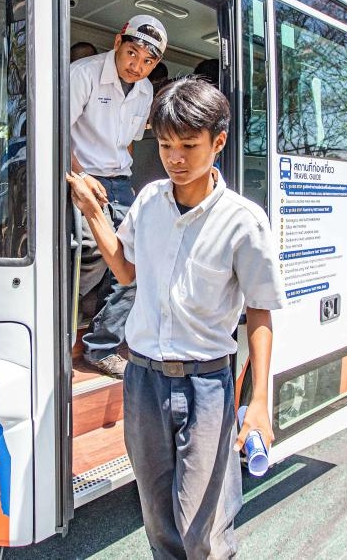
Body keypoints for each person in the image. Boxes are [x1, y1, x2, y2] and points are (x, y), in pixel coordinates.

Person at [66, 77, 284, 558]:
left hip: (206, 386)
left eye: (189, 145)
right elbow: (125, 270)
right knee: (159, 522)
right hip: (142, 381)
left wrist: (261, 401)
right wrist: (92, 214)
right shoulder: (148, 202)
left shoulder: (243, 221)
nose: (175, 158)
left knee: (204, 530)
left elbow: (260, 310)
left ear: (218, 143)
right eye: (165, 145)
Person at [70, 14, 168, 378]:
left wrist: (118, 174)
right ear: (117, 42)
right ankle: (58, 334)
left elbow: (127, 143)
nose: (136, 66)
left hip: (118, 180)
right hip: (77, 174)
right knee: (89, 253)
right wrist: (79, 176)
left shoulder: (144, 91)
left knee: (137, 261)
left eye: (148, 61)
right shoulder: (83, 74)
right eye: (132, 54)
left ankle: (101, 346)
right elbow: (56, 130)